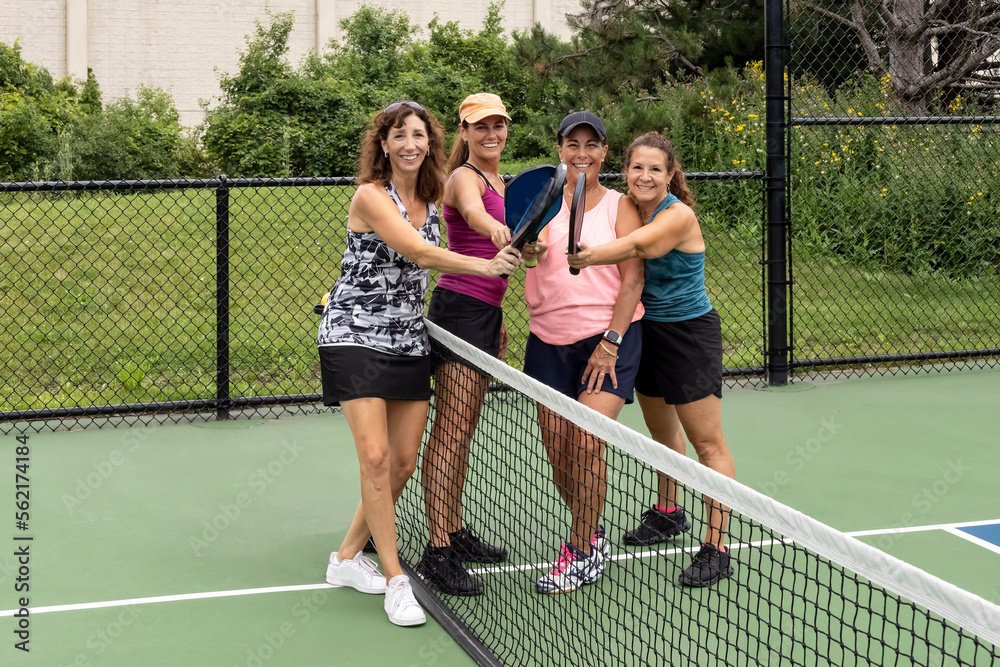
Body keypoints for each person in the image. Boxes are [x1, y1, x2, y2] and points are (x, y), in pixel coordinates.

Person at [318, 101, 520, 626]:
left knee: (404, 462)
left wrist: (514, 251)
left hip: (409, 338)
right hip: (354, 337)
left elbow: (465, 237)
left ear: (429, 143)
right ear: (382, 144)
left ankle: (344, 559)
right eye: (399, 135)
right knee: (377, 457)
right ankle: (395, 578)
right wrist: (486, 264)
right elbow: (421, 254)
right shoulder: (370, 195)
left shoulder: (431, 197)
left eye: (418, 135)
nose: (410, 144)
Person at [567, 131, 736, 587]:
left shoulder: (678, 216)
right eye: (637, 167)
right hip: (645, 332)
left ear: (670, 175)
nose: (644, 176)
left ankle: (717, 545)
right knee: (662, 434)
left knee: (707, 443)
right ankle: (668, 512)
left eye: (655, 169)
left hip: (688, 335)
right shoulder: (625, 207)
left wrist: (585, 257)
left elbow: (641, 249)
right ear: (627, 170)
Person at [522, 111, 645, 594]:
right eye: (572, 144)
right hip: (548, 342)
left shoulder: (620, 207)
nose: (581, 154)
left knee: (588, 443)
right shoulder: (543, 199)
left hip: (609, 340)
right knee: (559, 452)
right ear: (559, 150)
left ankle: (580, 549)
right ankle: (591, 529)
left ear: (604, 153)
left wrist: (610, 344)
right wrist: (527, 253)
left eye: (591, 145)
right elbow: (523, 255)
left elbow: (633, 279)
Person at [417, 93, 514, 596]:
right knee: (451, 433)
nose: (491, 134)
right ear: (464, 132)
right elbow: (476, 220)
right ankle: (437, 551)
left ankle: (453, 529)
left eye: (498, 125)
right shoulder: (464, 179)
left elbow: (511, 250)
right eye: (480, 127)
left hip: (483, 314)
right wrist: (499, 228)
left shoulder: (505, 181)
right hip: (458, 310)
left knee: (466, 427)